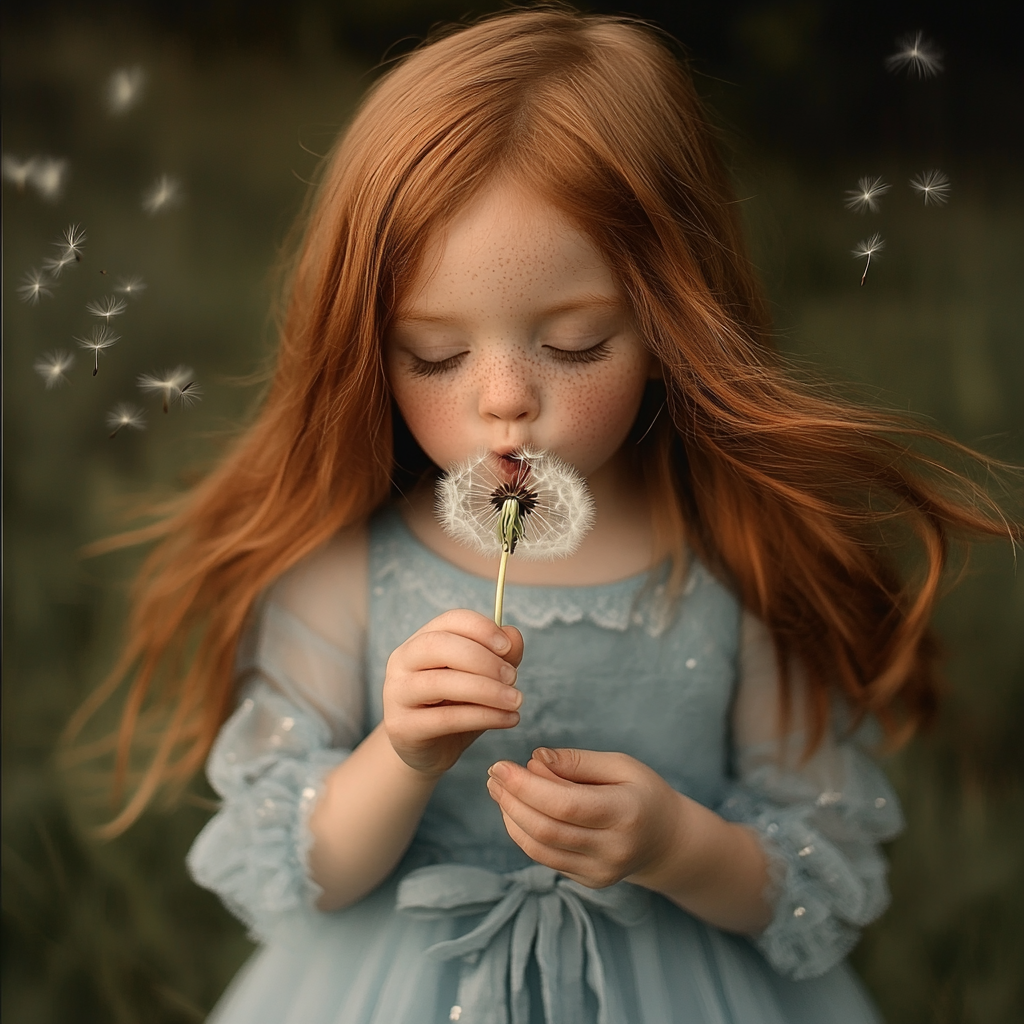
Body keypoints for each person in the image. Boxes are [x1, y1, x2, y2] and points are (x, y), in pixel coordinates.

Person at [86, 8, 1016, 1023]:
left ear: (671, 325)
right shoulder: (345, 571)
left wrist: (674, 845)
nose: (502, 399)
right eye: (435, 356)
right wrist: (397, 756)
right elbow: (296, 871)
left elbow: (812, 870)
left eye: (573, 343)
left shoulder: (735, 561)